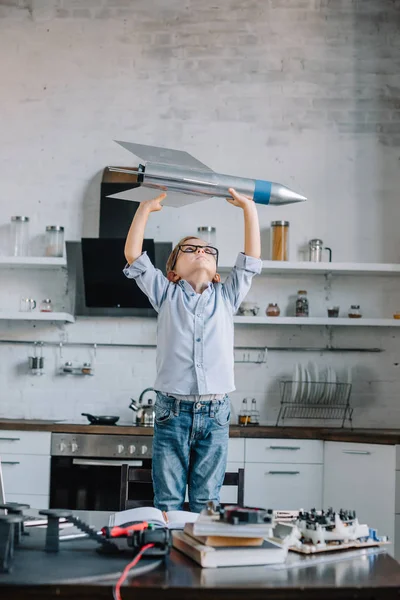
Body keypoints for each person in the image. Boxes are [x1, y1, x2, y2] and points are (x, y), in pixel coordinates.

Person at [123, 188, 261, 513]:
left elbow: (251, 262)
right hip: (172, 412)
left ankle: (197, 559)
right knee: (168, 502)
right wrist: (144, 209)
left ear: (216, 271)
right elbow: (133, 255)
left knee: (206, 504)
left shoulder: (227, 296)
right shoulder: (165, 294)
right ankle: (165, 560)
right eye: (190, 249)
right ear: (173, 271)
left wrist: (249, 210)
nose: (200, 251)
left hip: (216, 413)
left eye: (207, 250)